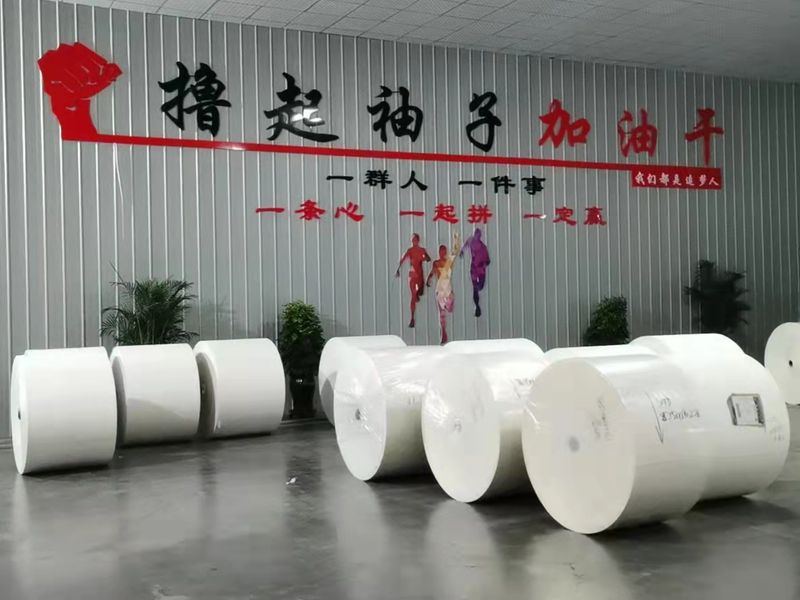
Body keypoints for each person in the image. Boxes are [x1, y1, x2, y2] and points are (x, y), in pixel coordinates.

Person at [427, 233, 460, 345]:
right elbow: (432, 272)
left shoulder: (448, 262)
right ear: (439, 252)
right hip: (440, 289)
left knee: (449, 307)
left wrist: (456, 240)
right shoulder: (436, 263)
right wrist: (428, 279)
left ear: (445, 252)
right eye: (440, 251)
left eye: (443, 251)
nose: (442, 253)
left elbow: (455, 251)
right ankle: (443, 333)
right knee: (441, 314)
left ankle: (448, 305)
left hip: (447, 288)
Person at [396, 233, 431, 328]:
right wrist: (398, 269)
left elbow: (427, 258)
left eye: (414, 240)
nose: (413, 241)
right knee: (414, 294)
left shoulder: (420, 250)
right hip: (413, 275)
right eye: (412, 240)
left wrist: (424, 257)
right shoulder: (411, 250)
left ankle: (417, 294)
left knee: (418, 291)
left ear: (417, 240)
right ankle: (412, 317)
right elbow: (402, 259)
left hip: (417, 275)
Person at [460, 228, 491, 318]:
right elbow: (466, 244)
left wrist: (483, 264)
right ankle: (477, 306)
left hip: (481, 270)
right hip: (474, 268)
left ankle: (478, 290)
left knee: (480, 286)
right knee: (475, 288)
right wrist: (462, 251)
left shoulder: (483, 248)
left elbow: (488, 261)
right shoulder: (471, 241)